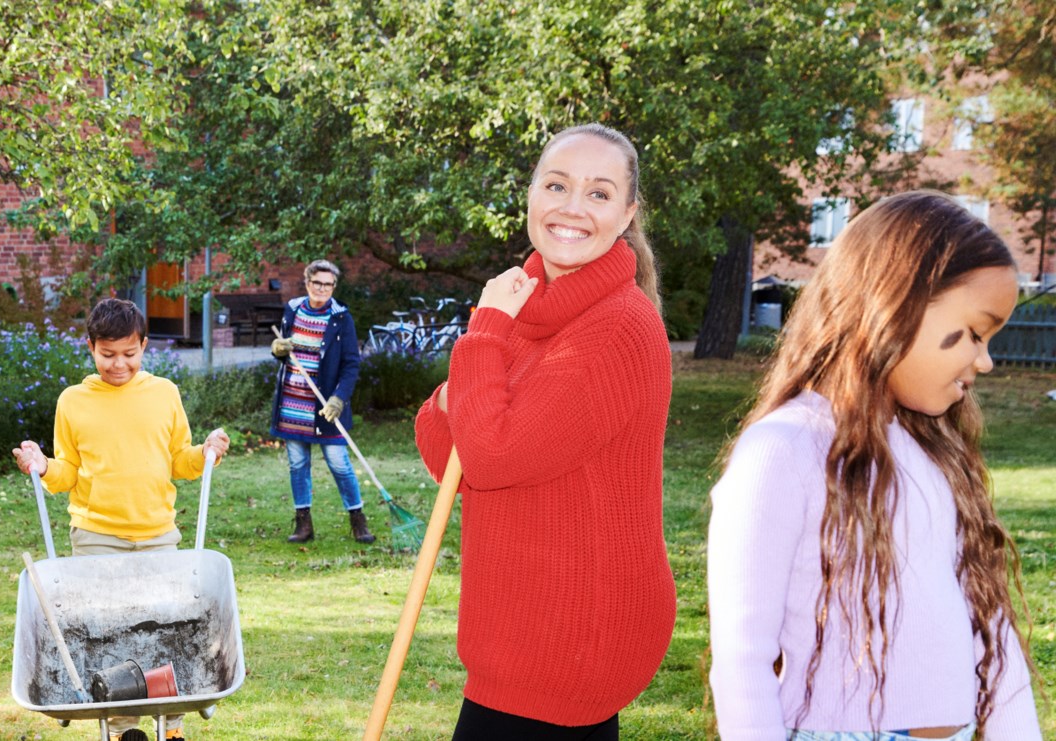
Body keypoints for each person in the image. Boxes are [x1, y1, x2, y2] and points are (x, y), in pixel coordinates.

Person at [708, 191, 1037, 740]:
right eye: (975, 332)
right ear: (895, 302)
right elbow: (743, 661)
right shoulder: (784, 450)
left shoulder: (935, 451)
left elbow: (991, 631)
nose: (985, 360)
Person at [413, 123, 675, 739]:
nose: (572, 208)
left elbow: (491, 456)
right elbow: (442, 448)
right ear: (530, 194)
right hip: (517, 630)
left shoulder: (616, 328)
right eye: (557, 184)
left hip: (569, 640)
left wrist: (481, 336)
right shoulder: (526, 309)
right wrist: (479, 371)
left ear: (628, 213)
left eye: (599, 193)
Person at [11, 298, 230, 741]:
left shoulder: (164, 393)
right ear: (90, 347)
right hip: (96, 536)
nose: (119, 364)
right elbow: (68, 471)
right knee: (109, 632)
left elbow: (177, 461)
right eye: (107, 354)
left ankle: (172, 722)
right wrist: (41, 464)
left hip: (157, 534)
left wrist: (206, 453)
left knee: (166, 628)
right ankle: (123, 727)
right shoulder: (73, 401)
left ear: (144, 346)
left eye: (129, 354)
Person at [268, 259, 370, 544]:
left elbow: (351, 365)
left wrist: (339, 399)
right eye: (317, 283)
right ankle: (303, 525)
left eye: (328, 284)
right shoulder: (293, 309)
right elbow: (283, 348)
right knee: (298, 464)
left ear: (334, 287)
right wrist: (277, 349)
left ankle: (358, 520)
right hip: (293, 403)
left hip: (325, 406)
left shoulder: (341, 317)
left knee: (339, 463)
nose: (322, 288)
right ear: (307, 282)